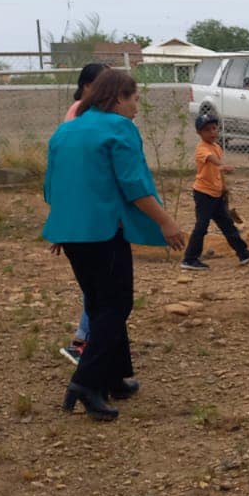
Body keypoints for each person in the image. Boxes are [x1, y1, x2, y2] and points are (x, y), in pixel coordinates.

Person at [43, 69, 186, 420]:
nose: (137, 108)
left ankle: (115, 376)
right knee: (115, 306)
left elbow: (51, 187)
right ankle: (86, 382)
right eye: (135, 100)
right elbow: (134, 185)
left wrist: (64, 225)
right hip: (104, 231)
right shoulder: (119, 128)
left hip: (72, 232)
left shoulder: (66, 129)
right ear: (119, 97)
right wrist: (166, 222)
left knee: (98, 302)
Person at [60, 61, 109, 366]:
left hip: (82, 211)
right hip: (87, 213)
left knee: (96, 283)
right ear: (88, 86)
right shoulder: (81, 112)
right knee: (98, 284)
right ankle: (82, 342)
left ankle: (88, 340)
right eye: (104, 84)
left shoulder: (80, 110)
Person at [182, 113, 249, 271]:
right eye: (207, 130)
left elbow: (216, 171)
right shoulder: (201, 148)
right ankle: (189, 259)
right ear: (199, 133)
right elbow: (211, 159)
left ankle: (243, 252)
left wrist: (224, 188)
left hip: (216, 193)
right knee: (201, 226)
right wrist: (221, 166)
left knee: (227, 224)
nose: (212, 132)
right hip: (203, 194)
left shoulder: (217, 147)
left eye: (214, 128)